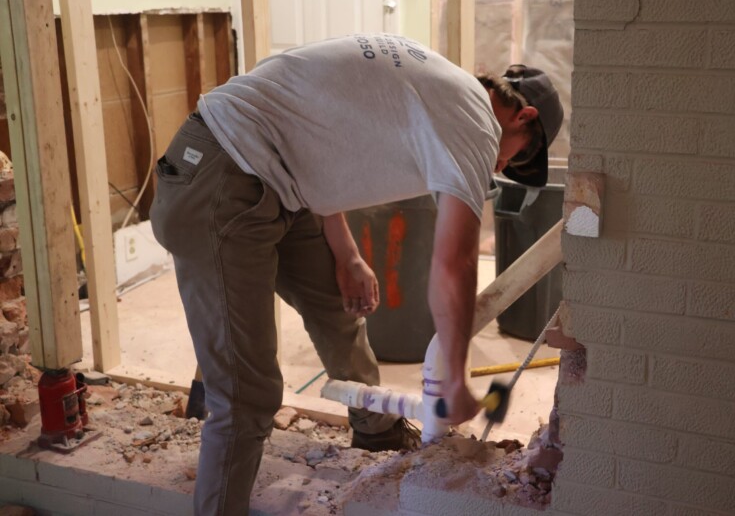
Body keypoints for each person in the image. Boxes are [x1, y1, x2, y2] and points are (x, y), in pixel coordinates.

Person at [149, 33, 563, 516]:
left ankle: (379, 439)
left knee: (339, 309)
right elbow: (456, 264)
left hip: (272, 179)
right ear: (523, 117)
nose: (500, 163)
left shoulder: (436, 86)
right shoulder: (475, 122)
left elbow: (321, 148)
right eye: (513, 157)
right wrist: (452, 373)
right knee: (247, 395)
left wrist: (347, 257)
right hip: (222, 180)